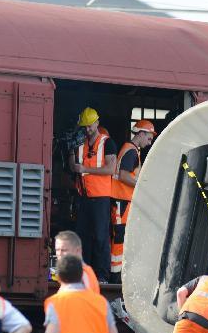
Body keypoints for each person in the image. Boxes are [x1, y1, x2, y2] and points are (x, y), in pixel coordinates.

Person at [70, 107, 116, 283]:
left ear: (97, 123)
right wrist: (71, 153)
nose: (87, 129)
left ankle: (102, 275)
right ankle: (85, 275)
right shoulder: (81, 145)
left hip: (101, 199)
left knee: (101, 237)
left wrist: (85, 169)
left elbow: (111, 169)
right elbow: (73, 166)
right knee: (83, 237)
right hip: (84, 198)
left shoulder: (107, 143)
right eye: (85, 127)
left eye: (90, 126)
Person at [109, 119, 156, 283]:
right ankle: (115, 277)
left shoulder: (131, 150)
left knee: (121, 239)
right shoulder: (130, 151)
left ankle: (117, 274)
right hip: (122, 201)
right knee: (119, 239)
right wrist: (142, 187)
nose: (150, 142)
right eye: (149, 138)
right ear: (141, 134)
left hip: (123, 202)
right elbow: (123, 176)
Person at [54, 230, 100, 294]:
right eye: (57, 250)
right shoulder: (78, 272)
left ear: (78, 250)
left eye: (64, 250)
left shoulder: (82, 274)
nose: (59, 254)